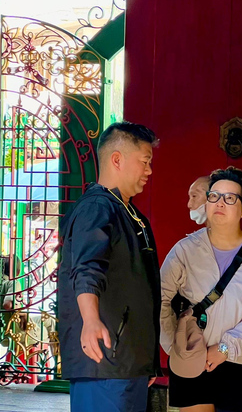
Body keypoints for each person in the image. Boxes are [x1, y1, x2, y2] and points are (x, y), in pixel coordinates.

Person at [58, 122, 162, 412]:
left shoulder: (129, 211)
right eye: (145, 162)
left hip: (128, 362)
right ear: (117, 159)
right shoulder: (97, 207)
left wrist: (146, 360)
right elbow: (86, 267)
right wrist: (90, 320)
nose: (149, 171)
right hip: (103, 361)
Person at [160, 167, 242, 412]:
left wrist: (225, 348)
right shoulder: (185, 249)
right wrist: (174, 346)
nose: (219, 203)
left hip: (238, 362)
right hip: (192, 357)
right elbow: (160, 298)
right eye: (214, 196)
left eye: (230, 198)